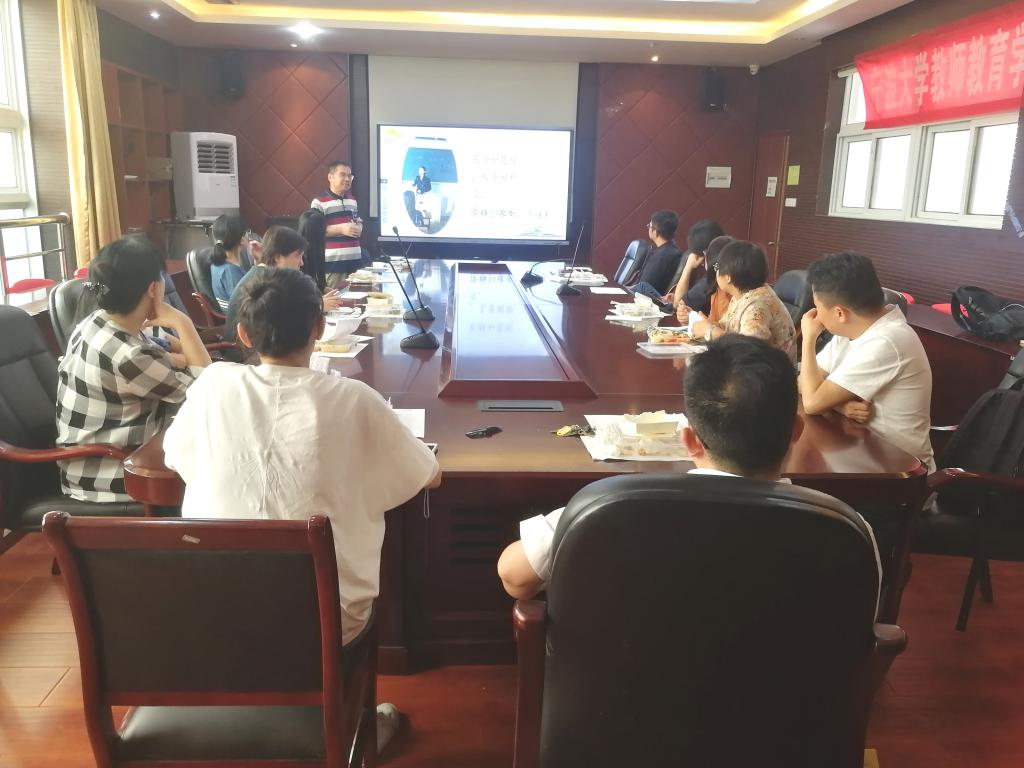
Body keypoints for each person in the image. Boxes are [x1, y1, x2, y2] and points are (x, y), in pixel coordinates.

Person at [163, 267, 442, 752]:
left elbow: (176, 457)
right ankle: (351, 723)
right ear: (319, 326)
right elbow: (427, 475)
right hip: (324, 624)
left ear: (243, 334)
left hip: (211, 611)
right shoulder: (353, 399)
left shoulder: (211, 387)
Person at [496, 334, 881, 601]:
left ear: (690, 440)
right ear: (796, 432)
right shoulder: (848, 530)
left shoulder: (607, 509)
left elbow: (514, 576)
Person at [55, 237, 211, 503]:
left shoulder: (98, 321)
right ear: (154, 288)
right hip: (109, 474)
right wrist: (182, 322)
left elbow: (164, 345)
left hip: (108, 458)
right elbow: (208, 391)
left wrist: (179, 354)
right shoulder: (127, 355)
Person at [799, 252, 934, 472]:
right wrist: (840, 405)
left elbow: (812, 403)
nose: (814, 315)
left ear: (840, 313)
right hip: (859, 449)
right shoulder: (851, 330)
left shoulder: (887, 340)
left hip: (898, 473)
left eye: (817, 307)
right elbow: (802, 383)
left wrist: (808, 338)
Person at [223, 226, 342, 342]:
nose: (301, 263)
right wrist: (318, 306)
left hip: (257, 342)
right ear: (277, 258)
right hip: (243, 349)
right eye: (298, 256)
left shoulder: (266, 273)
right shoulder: (266, 281)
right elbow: (284, 318)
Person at [690, 240, 796, 361]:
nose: (716, 272)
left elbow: (747, 349)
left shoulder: (757, 306)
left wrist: (710, 331)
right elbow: (727, 327)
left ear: (728, 277)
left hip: (770, 371)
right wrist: (709, 324)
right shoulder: (741, 295)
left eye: (717, 267)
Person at [311, 160, 363, 288]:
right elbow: (314, 230)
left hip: (355, 262)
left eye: (350, 176)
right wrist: (342, 229)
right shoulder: (319, 202)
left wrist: (360, 226)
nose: (347, 179)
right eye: (342, 175)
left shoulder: (352, 200)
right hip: (334, 264)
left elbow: (357, 220)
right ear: (330, 177)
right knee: (336, 299)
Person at [674, 234, 733, 324]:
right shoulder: (718, 290)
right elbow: (717, 324)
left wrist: (697, 320)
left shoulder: (737, 298)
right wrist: (694, 317)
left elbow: (726, 330)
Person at [667, 219, 725, 305]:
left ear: (704, 254)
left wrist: (688, 266)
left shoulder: (714, 274)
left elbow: (678, 304)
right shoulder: (729, 259)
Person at [632, 210, 683, 297]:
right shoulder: (673, 251)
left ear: (655, 233)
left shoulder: (660, 257)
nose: (648, 228)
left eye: (650, 226)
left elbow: (643, 287)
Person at [208, 214, 250, 311]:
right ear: (242, 239)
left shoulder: (217, 263)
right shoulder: (230, 272)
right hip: (239, 318)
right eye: (247, 232)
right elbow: (247, 306)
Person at [297, 208, 327, 291]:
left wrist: (322, 288)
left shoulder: (312, 248)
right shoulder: (297, 253)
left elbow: (311, 279)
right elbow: (302, 285)